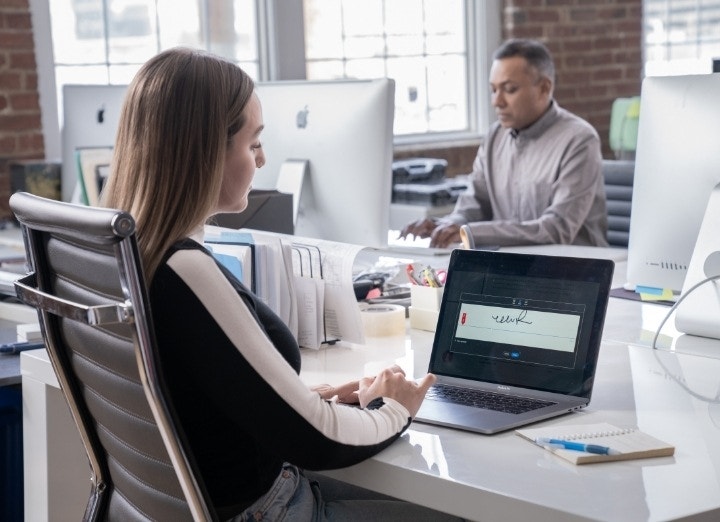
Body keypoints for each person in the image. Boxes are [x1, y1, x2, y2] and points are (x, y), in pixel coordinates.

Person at [100, 47, 461, 521]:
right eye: (253, 144)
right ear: (207, 151)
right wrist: (396, 408)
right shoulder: (185, 269)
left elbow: (200, 392)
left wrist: (303, 399)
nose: (264, 158)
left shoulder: (123, 254)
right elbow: (319, 441)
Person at [400, 38, 608, 249]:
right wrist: (446, 225)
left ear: (544, 88)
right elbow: (475, 203)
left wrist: (471, 233)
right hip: (513, 266)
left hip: (575, 271)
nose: (496, 102)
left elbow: (557, 228)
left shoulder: (579, 140)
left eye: (509, 89)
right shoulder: (495, 136)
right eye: (493, 90)